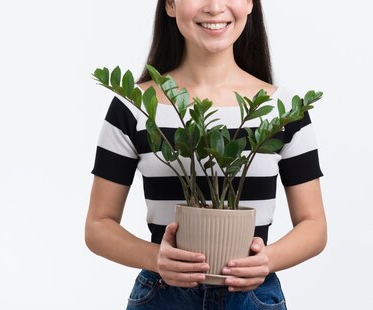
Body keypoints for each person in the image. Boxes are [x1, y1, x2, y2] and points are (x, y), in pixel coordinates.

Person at [84, 0, 327, 309]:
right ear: (170, 5)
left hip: (252, 296)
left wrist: (267, 260)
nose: (215, 7)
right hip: (163, 294)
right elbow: (98, 225)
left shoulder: (286, 111)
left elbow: (314, 225)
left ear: (250, 4)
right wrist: (157, 258)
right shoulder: (134, 106)